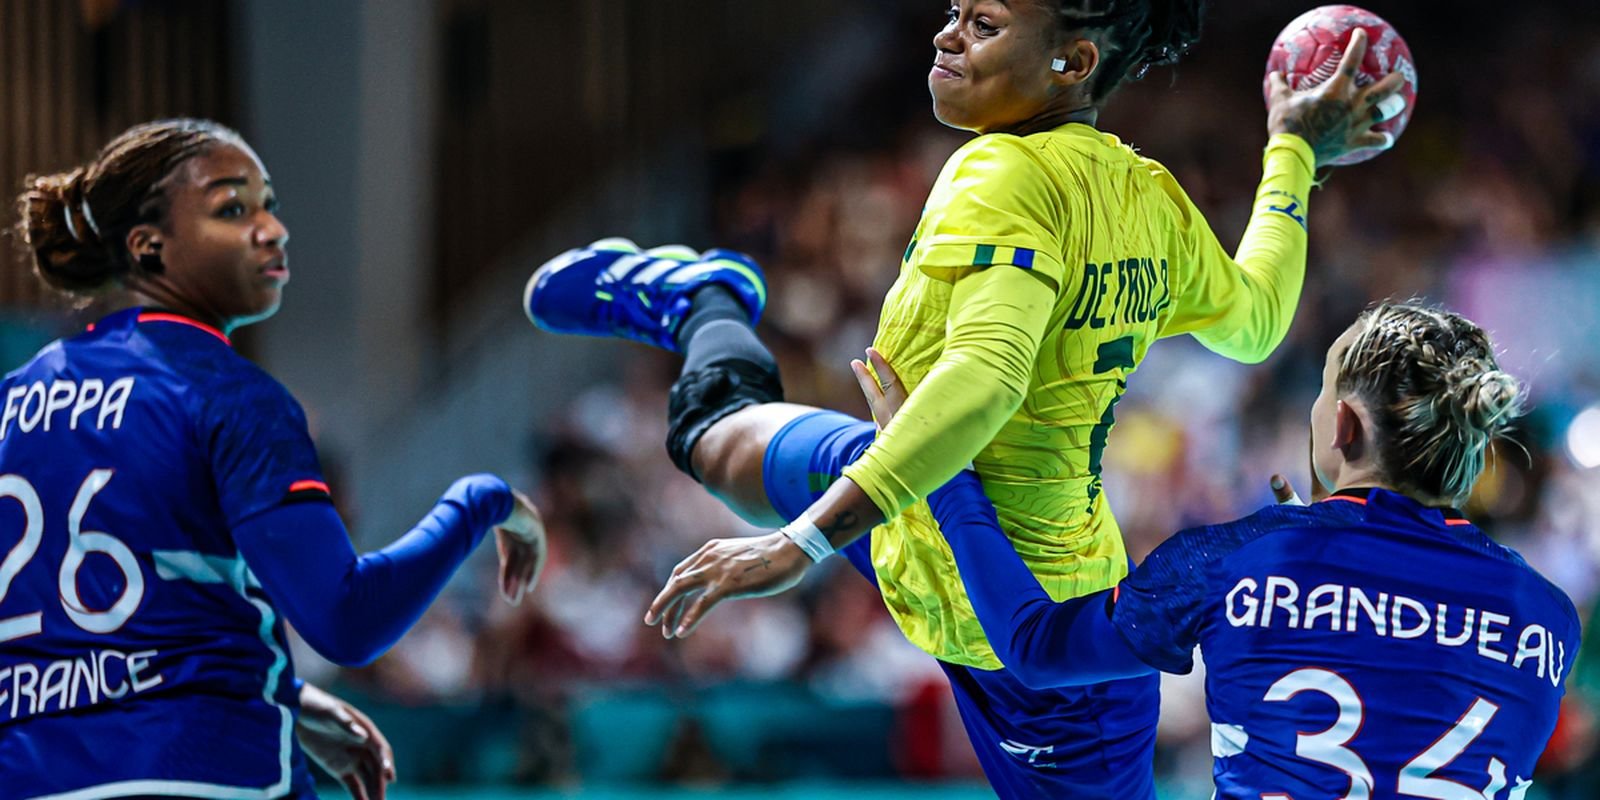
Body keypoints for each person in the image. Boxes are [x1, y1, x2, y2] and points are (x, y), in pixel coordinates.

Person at [526, 3, 1401, 796]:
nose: (946, 35)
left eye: (985, 25)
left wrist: (803, 541)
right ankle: (704, 300)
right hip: (906, 481)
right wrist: (1293, 150)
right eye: (955, 13)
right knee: (716, 445)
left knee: (715, 443)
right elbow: (1256, 318)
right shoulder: (1149, 197)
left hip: (1032, 630)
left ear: (1074, 61)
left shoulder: (1004, 175)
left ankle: (709, 310)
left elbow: (987, 379)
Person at [1, 118, 546, 800]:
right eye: (233, 210)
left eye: (269, 206)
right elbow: (347, 621)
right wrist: (481, 501)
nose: (273, 230)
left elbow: (104, 629)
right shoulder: (230, 393)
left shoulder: (15, 397)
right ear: (148, 246)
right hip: (209, 774)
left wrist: (288, 694)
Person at [852, 302, 1579, 798]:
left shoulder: (1241, 558)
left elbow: (1036, 648)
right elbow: (1410, 676)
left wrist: (941, 470)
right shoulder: (1550, 618)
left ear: (1345, 427)